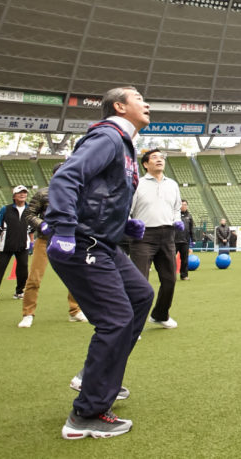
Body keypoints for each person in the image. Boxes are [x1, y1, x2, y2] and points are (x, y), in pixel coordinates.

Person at [42, 86, 155, 439]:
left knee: (140, 296)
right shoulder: (108, 136)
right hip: (80, 243)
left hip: (104, 244)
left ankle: (97, 379)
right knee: (116, 319)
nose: (146, 103)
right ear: (119, 107)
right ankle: (86, 414)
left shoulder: (125, 145)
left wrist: (124, 225)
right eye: (139, 98)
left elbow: (101, 195)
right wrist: (62, 226)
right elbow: (66, 177)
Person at [18, 163, 86, 328]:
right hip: (45, 240)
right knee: (34, 278)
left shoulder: (79, 193)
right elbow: (29, 214)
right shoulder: (43, 193)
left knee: (76, 277)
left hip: (70, 240)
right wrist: (41, 225)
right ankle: (28, 314)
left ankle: (75, 310)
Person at [129, 149, 180, 329]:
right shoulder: (137, 184)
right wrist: (131, 224)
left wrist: (177, 221)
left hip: (167, 236)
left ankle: (160, 314)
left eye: (161, 157)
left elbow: (176, 208)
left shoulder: (172, 184)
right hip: (143, 237)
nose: (159, 160)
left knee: (170, 280)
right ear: (145, 164)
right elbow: (127, 210)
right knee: (140, 282)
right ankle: (133, 324)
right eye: (154, 157)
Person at [0, 185, 33, 302]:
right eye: (19, 193)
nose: (22, 195)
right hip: (5, 245)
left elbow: (31, 229)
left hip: (23, 245)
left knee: (23, 269)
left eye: (24, 193)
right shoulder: (5, 209)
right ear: (14, 196)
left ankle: (20, 291)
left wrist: (32, 242)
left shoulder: (30, 210)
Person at [176, 200, 194, 280]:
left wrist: (193, 240)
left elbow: (191, 229)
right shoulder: (175, 215)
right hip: (174, 241)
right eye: (182, 204)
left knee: (185, 260)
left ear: (187, 206)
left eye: (185, 204)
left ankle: (184, 275)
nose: (183, 206)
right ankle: (170, 275)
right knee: (170, 259)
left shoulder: (189, 216)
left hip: (185, 241)